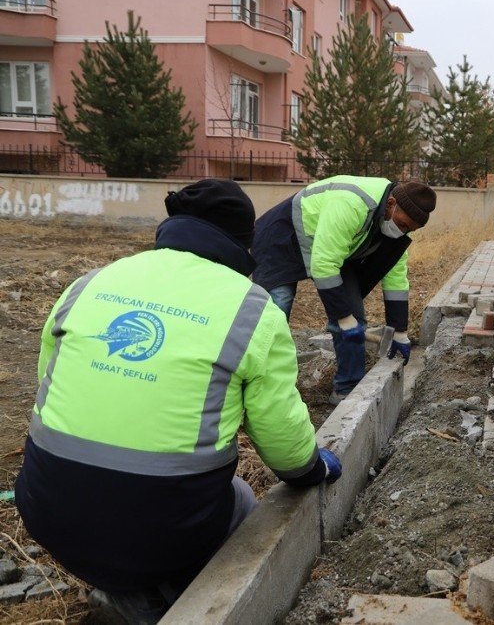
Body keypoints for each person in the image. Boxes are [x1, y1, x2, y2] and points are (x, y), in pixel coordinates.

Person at [14, 179, 341, 623]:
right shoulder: (252, 310)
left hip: (45, 510)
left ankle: (122, 589)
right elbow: (280, 433)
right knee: (243, 500)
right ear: (244, 242)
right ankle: (161, 600)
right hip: (164, 531)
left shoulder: (90, 283)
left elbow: (49, 384)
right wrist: (312, 468)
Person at [252, 176, 436, 404]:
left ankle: (346, 391)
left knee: (354, 315)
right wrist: (343, 317)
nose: (403, 232)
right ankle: (260, 386)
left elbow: (396, 279)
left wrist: (399, 331)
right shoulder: (352, 203)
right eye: (403, 225)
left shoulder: (394, 224)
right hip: (282, 239)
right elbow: (323, 265)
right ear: (390, 204)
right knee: (276, 310)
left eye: (410, 230)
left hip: (334, 247)